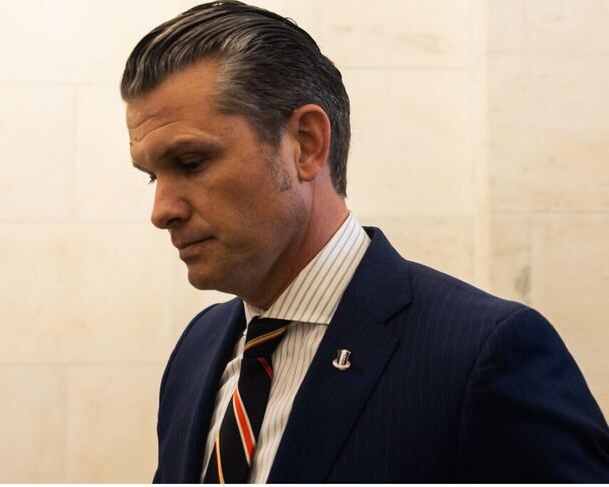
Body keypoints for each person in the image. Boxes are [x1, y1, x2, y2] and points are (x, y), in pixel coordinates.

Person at [121, 1, 609, 482]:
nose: (162, 211)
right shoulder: (199, 347)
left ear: (306, 144)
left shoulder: (482, 352)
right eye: (152, 176)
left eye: (192, 163)